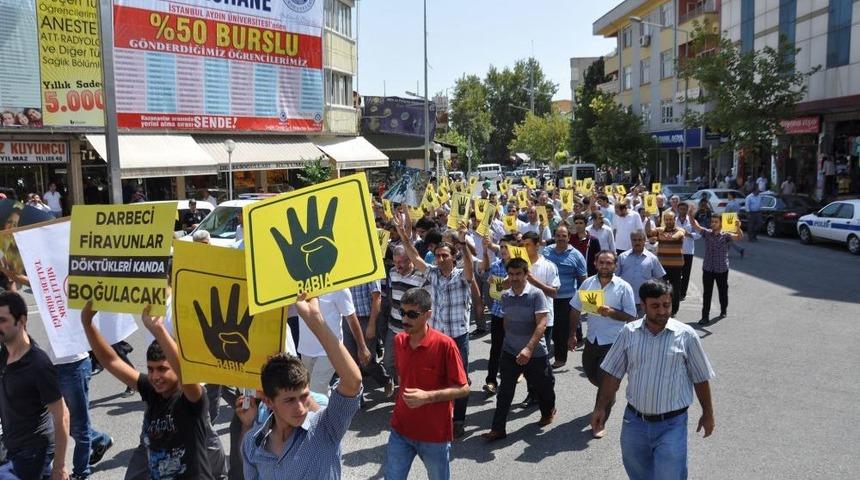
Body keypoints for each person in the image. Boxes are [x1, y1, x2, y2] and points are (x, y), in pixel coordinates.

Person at [594, 279, 715, 480]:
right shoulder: (628, 332)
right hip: (634, 423)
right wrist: (600, 407)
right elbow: (613, 374)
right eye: (655, 306)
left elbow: (700, 377)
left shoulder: (686, 336)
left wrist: (708, 413)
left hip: (672, 424)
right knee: (638, 474)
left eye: (666, 305)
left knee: (669, 476)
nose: (662, 311)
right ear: (643, 305)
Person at [238, 295, 363, 479]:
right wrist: (247, 424)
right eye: (289, 400)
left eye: (304, 396)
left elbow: (352, 383)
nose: (300, 408)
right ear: (268, 401)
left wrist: (316, 321)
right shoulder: (252, 442)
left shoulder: (326, 428)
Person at [394, 213, 473, 439]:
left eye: (444, 256)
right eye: (437, 256)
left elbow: (469, 269)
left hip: (458, 336)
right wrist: (403, 236)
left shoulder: (462, 276)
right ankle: (440, 414)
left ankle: (458, 419)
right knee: (439, 377)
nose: (439, 259)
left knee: (461, 379)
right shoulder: (433, 274)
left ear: (453, 257)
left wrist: (464, 244)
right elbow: (416, 258)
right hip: (438, 337)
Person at [384, 288, 469, 480]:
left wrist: (427, 397)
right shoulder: (399, 341)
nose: (405, 319)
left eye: (412, 314)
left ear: (428, 315)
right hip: (401, 429)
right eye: (402, 313)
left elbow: (463, 389)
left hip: (434, 435)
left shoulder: (445, 345)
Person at [481, 257, 556, 441]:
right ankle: (498, 429)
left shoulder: (536, 295)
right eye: (511, 274)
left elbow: (542, 324)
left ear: (526, 274)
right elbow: (506, 321)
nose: (514, 278)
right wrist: (511, 343)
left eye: (518, 274)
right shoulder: (505, 295)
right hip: (510, 352)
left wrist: (528, 349)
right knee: (505, 391)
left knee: (543, 387)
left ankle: (548, 411)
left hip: (535, 352)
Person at [0, 291, 70, 480]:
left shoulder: (38, 364)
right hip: (11, 450)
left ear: (21, 320)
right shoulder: (5, 355)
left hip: (33, 454)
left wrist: (60, 466)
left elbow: (61, 414)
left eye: (3, 320)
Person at [568, 251, 637, 438]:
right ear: (596, 263)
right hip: (592, 340)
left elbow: (631, 317)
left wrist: (611, 312)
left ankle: (600, 421)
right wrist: (572, 334)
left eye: (609, 263)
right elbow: (575, 308)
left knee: (606, 382)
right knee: (592, 375)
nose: (605, 266)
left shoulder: (624, 287)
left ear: (615, 265)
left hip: (613, 342)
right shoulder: (588, 283)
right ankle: (610, 391)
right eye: (602, 262)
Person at [299, 289, 369, 398]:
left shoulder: (339, 289)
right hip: (305, 350)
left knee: (315, 391)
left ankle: (325, 413)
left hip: (330, 351)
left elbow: (351, 319)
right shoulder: (299, 287)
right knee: (308, 388)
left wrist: (362, 347)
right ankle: (333, 409)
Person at [542, 225, 586, 369]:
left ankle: (561, 358)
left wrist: (580, 299)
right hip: (547, 296)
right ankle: (544, 354)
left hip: (566, 299)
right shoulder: (546, 251)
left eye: (564, 236)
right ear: (554, 237)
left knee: (561, 329)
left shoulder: (576, 255)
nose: (561, 238)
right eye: (558, 235)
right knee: (548, 327)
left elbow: (582, 278)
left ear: (568, 237)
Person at [690, 209, 744, 325]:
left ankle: (723, 310)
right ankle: (705, 316)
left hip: (721, 269)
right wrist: (690, 214)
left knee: (722, 291)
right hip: (708, 268)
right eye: (712, 222)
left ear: (721, 223)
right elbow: (695, 225)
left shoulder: (726, 235)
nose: (713, 224)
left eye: (716, 222)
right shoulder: (707, 233)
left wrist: (738, 227)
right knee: (707, 293)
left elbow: (739, 237)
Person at [345, 280, 394, 402]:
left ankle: (385, 379)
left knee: (365, 361)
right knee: (349, 360)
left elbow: (377, 298)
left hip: (365, 320)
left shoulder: (367, 269)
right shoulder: (343, 269)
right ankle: (357, 397)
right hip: (346, 320)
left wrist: (372, 325)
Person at [478, 234, 515, 395]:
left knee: (514, 348)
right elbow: (485, 273)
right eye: (501, 247)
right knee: (496, 349)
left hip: (515, 316)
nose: (503, 250)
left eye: (507, 247)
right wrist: (485, 251)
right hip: (498, 313)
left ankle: (513, 378)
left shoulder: (520, 266)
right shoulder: (496, 265)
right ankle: (491, 381)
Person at [616, 231, 666, 318]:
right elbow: (615, 278)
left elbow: (660, 279)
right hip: (625, 300)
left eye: (640, 240)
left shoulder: (652, 258)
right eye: (634, 240)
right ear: (631, 241)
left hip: (645, 301)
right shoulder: (622, 257)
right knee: (625, 327)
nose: (637, 242)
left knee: (643, 327)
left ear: (644, 241)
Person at [652, 210, 686, 316]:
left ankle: (673, 310)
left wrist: (666, 236)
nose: (668, 221)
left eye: (671, 219)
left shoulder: (680, 230)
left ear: (674, 219)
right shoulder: (660, 230)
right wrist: (648, 219)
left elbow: (677, 236)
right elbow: (649, 232)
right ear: (664, 220)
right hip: (662, 266)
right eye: (666, 219)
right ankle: (661, 308)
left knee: (674, 289)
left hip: (676, 266)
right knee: (661, 289)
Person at [675, 202, 700, 300]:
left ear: (687, 210)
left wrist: (689, 234)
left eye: (684, 209)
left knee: (686, 274)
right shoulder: (673, 220)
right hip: (676, 251)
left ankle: (683, 293)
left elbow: (699, 234)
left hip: (688, 251)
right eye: (680, 209)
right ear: (678, 209)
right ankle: (676, 291)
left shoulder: (692, 221)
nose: (682, 211)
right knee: (676, 273)